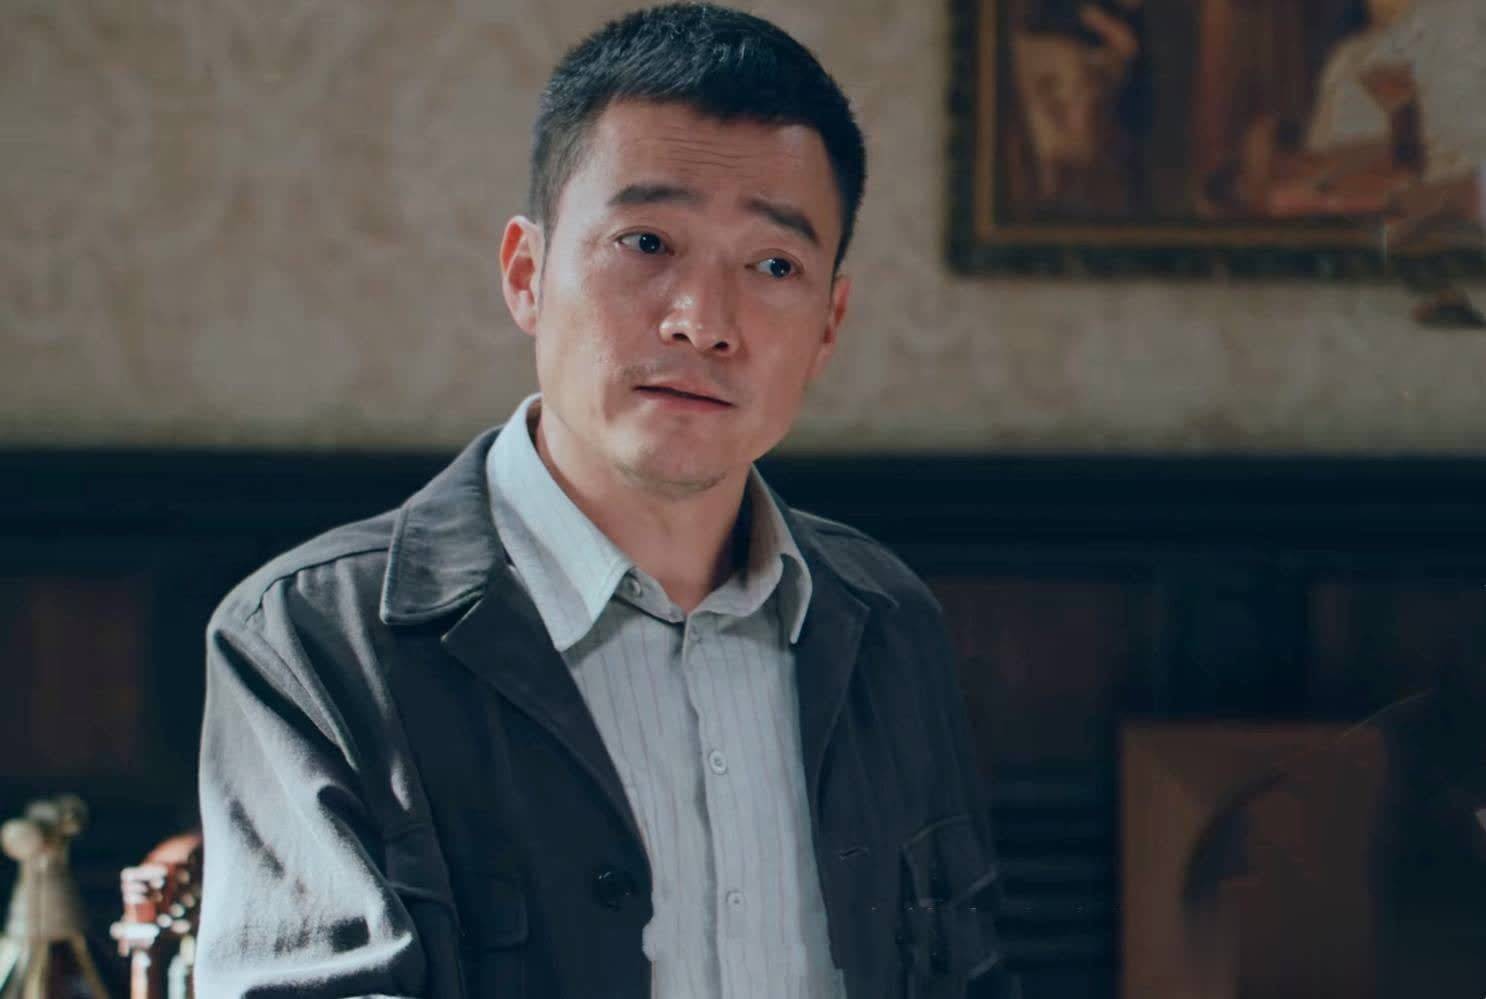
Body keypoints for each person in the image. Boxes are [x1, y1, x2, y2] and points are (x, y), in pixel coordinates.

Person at [194, 5, 1009, 997]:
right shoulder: (310, 638)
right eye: (646, 241)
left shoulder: (887, 621)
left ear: (828, 324)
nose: (703, 321)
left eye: (774, 265)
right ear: (526, 275)